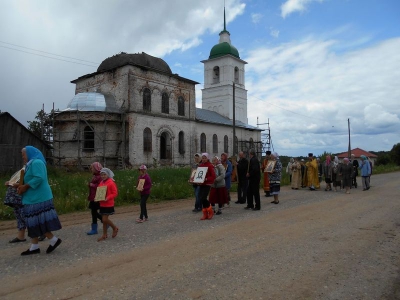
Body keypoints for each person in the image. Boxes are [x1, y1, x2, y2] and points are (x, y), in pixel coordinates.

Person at [17, 146, 62, 255]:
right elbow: (30, 179)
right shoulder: (30, 164)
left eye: (24, 154)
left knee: (38, 221)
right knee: (32, 221)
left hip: (39, 197)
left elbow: (39, 178)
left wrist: (25, 187)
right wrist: (16, 185)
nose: (23, 157)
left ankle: (53, 240)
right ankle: (34, 246)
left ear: (30, 153)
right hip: (32, 198)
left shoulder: (37, 162)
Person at [4, 169, 26, 243]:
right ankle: (21, 236)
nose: (23, 157)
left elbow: (25, 183)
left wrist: (13, 184)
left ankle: (43, 232)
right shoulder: (22, 169)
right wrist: (10, 183)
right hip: (14, 199)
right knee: (19, 216)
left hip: (19, 197)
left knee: (25, 216)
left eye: (24, 156)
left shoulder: (29, 168)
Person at [97, 168, 119, 241]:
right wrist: (97, 197)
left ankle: (114, 228)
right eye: (102, 175)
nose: (103, 176)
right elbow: (99, 192)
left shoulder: (111, 182)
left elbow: (115, 193)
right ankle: (104, 234)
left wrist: (108, 197)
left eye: (104, 174)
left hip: (108, 204)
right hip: (102, 204)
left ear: (108, 175)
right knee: (104, 221)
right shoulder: (101, 182)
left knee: (104, 219)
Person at [197, 153, 216, 220]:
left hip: (207, 184)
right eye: (203, 158)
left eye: (205, 158)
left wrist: (206, 179)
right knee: (201, 198)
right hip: (201, 184)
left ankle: (210, 211)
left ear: (207, 158)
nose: (204, 159)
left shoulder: (210, 166)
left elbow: (213, 176)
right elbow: (198, 174)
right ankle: (205, 213)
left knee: (203, 197)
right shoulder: (200, 165)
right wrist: (194, 179)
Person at [86, 162, 103, 235]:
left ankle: (95, 228)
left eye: (92, 168)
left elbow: (100, 186)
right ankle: (104, 221)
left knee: (94, 212)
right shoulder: (95, 176)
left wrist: (91, 185)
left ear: (96, 169)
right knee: (94, 212)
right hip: (93, 196)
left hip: (96, 197)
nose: (91, 169)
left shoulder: (100, 176)